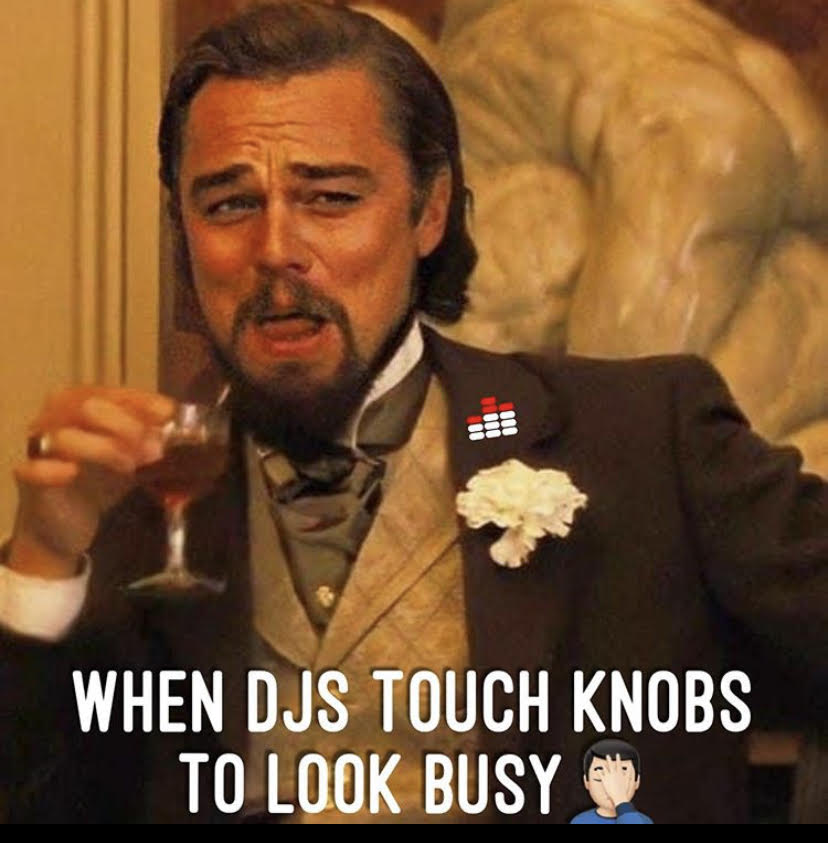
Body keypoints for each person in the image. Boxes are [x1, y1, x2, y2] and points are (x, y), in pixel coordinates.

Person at [1, 0, 826, 824]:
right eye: (228, 205)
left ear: (429, 211)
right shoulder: (128, 506)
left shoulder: (647, 438)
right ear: (183, 229)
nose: (275, 249)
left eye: (330, 197)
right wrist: (41, 560)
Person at [570, 739, 653, 824]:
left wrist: (620, 798)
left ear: (637, 781)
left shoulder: (643, 821)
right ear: (586, 781)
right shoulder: (580, 821)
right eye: (599, 779)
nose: (610, 789)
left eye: (620, 781)